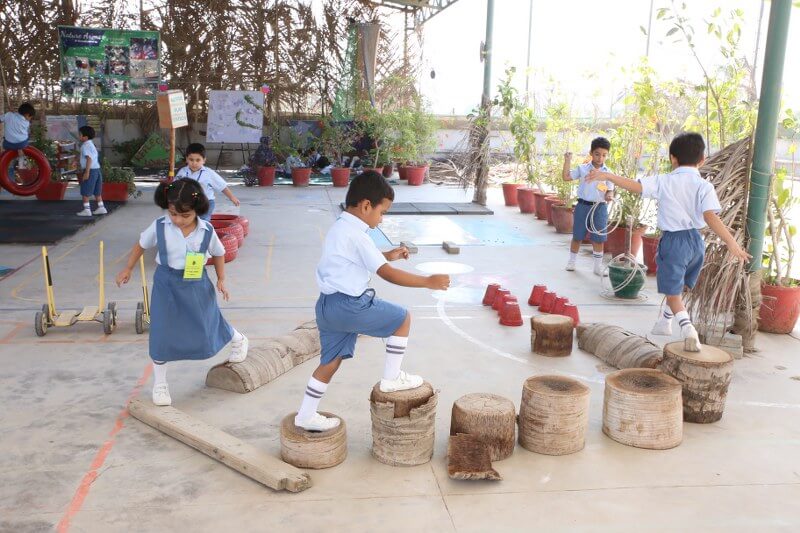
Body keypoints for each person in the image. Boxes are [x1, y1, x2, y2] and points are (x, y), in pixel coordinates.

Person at [294, 171, 450, 431]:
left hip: (327, 306)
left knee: (330, 362)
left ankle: (306, 414)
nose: (382, 217)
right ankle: (391, 378)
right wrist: (427, 281)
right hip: (350, 306)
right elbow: (386, 274)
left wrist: (387, 254)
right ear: (366, 206)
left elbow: (357, 258)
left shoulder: (340, 227)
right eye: (383, 212)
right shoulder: (359, 235)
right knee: (402, 318)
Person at [586, 132, 750, 351]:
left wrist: (608, 177)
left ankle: (687, 329)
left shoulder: (664, 180)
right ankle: (665, 322)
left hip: (674, 242)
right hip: (696, 242)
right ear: (702, 160)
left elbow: (636, 186)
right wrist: (732, 243)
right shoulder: (704, 186)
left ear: (673, 158)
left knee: (672, 292)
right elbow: (711, 216)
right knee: (681, 285)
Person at [115, 179, 249, 406]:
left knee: (208, 321)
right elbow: (141, 244)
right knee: (161, 330)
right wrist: (127, 268)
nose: (177, 220)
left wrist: (222, 279)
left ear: (198, 209)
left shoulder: (207, 230)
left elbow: (218, 253)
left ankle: (239, 339)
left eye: (184, 215)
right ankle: (160, 384)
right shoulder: (159, 225)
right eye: (173, 213)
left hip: (196, 282)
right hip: (166, 282)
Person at [563, 137, 615, 276]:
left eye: (604, 155)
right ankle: (572, 261)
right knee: (577, 235)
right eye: (597, 154)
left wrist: (609, 195)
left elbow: (610, 189)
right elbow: (566, 177)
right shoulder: (583, 168)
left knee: (599, 237)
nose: (600, 158)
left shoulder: (608, 173)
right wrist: (567, 160)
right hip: (583, 206)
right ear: (591, 153)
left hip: (600, 208)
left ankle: (597, 267)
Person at [176, 143, 240, 221]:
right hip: (188, 203)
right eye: (191, 160)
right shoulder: (182, 172)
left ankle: (206, 231)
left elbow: (222, 186)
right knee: (189, 221)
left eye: (198, 160)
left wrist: (232, 197)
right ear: (186, 159)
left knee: (203, 221)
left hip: (206, 202)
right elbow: (175, 186)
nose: (194, 163)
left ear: (204, 160)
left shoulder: (209, 173)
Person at [76, 125, 106, 217]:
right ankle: (101, 207)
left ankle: (87, 210)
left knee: (85, 191)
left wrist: (87, 172)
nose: (78, 136)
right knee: (97, 191)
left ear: (85, 137)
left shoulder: (85, 146)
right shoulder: (91, 144)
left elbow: (89, 159)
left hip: (90, 170)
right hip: (97, 170)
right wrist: (76, 161)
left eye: (80, 134)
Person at [1, 102, 35, 180]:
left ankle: (18, 158)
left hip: (8, 144)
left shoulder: (9, 115)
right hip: (22, 144)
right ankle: (21, 153)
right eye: (30, 117)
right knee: (26, 137)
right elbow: (19, 118)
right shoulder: (26, 123)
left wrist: (9, 112)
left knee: (5, 141)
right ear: (27, 115)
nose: (30, 119)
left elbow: (1, 119)